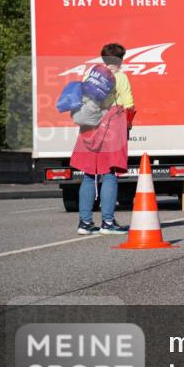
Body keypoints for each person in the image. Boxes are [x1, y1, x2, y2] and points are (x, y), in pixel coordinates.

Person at [72, 43, 134, 235]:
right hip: (111, 127)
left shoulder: (90, 75)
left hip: (89, 128)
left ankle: (85, 222)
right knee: (109, 174)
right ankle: (107, 222)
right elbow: (129, 105)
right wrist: (127, 127)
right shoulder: (121, 78)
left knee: (89, 175)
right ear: (120, 60)